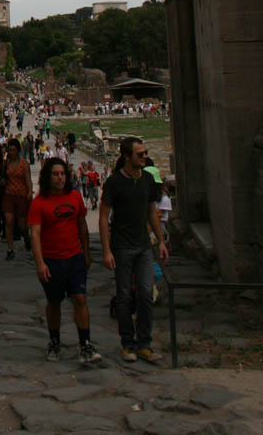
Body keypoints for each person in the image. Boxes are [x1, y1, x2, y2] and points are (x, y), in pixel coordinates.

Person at [99, 137, 168, 363]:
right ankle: (127, 343)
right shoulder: (114, 183)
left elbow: (151, 212)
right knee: (125, 295)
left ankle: (144, 344)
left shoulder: (147, 179)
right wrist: (106, 249)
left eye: (145, 153)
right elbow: (103, 216)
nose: (145, 157)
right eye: (140, 154)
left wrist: (161, 240)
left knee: (146, 293)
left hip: (143, 246)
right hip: (121, 246)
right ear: (127, 157)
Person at [28, 157, 101, 365]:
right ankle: (54, 341)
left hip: (74, 256)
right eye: (55, 174)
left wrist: (86, 252)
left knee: (80, 299)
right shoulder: (39, 203)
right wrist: (40, 262)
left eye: (62, 174)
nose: (59, 178)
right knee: (54, 302)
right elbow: (35, 233)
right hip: (52, 260)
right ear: (48, 177)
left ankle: (85, 343)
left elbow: (82, 225)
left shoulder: (76, 196)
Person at [3, 137, 33, 260]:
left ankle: (26, 237)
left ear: (18, 151)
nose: (11, 153)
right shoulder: (7, 163)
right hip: (9, 193)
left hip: (21, 194)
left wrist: (30, 191)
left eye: (14, 150)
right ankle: (10, 249)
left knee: (22, 225)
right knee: (8, 221)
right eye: (10, 150)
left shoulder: (23, 164)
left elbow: (28, 179)